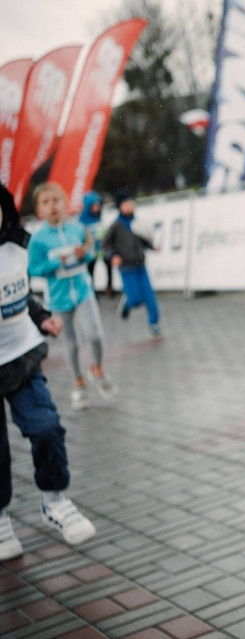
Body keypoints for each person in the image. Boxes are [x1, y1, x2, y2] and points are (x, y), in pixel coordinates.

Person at [0, 183, 97, 561]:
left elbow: (19, 292)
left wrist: (41, 317)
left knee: (46, 427)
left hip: (21, 357)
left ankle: (54, 499)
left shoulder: (15, 247)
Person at [27, 183, 117, 410]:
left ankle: (97, 369)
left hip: (83, 292)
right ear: (39, 210)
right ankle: (78, 383)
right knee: (71, 344)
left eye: (56, 200)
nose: (52, 206)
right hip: (58, 299)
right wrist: (56, 262)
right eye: (46, 202)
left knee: (94, 335)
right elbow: (33, 269)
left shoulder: (77, 229)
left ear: (65, 203)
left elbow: (91, 253)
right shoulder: (38, 240)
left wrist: (84, 254)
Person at [101, 189, 162, 339]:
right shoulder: (116, 225)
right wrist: (113, 255)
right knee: (135, 299)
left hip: (141, 265)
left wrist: (152, 246)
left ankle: (154, 324)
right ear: (120, 206)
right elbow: (105, 245)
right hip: (127, 267)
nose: (130, 205)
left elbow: (142, 240)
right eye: (126, 203)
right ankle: (127, 303)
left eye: (131, 202)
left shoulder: (137, 222)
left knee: (149, 296)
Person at [78, 190, 114, 298]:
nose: (96, 208)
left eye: (98, 205)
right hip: (91, 251)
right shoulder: (82, 221)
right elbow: (81, 237)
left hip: (102, 249)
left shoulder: (99, 217)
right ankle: (91, 291)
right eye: (94, 206)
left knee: (109, 266)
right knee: (90, 271)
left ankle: (109, 287)